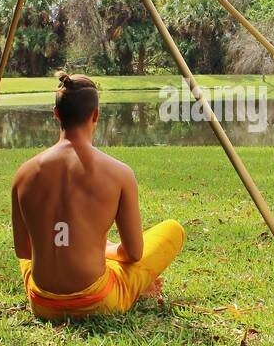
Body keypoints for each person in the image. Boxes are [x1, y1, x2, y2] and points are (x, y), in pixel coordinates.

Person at [11, 71, 184, 321]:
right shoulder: (119, 173)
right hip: (98, 302)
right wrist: (107, 249)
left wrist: (72, 246)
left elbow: (24, 251)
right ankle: (134, 284)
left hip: (42, 303)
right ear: (96, 115)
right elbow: (134, 254)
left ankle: (94, 258)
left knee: (37, 255)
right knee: (173, 230)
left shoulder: (23, 174)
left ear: (56, 114)